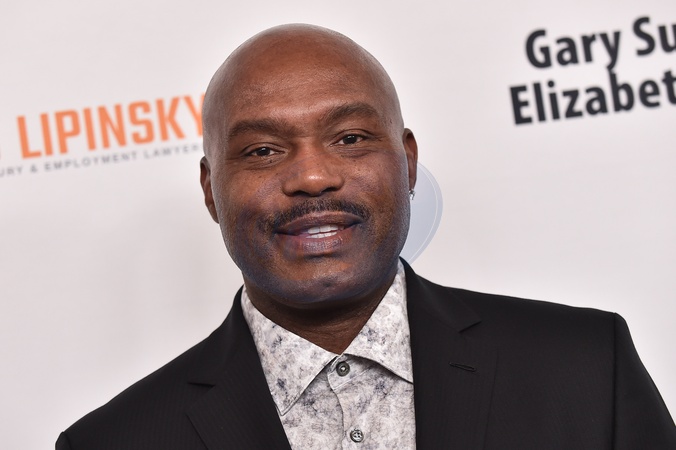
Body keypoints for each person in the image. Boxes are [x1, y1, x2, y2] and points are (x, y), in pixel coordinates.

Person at [57, 24, 675, 449]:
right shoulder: (115, 442)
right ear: (211, 190)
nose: (312, 177)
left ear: (408, 163)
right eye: (263, 150)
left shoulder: (586, 367)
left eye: (350, 138)